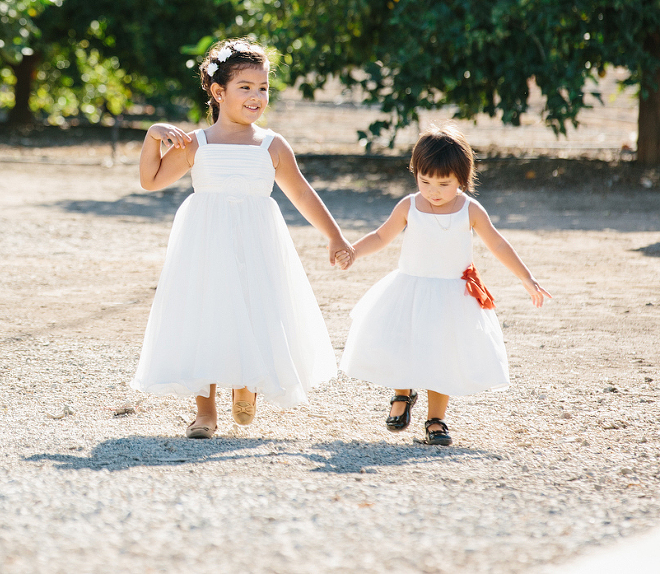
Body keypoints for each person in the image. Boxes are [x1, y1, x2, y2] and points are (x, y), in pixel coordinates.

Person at [131, 38, 353, 438]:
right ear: (218, 92)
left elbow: (301, 193)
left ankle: (246, 384)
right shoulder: (195, 142)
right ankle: (205, 411)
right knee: (206, 313)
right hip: (205, 242)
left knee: (252, 307)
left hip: (257, 242)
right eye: (246, 87)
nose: (257, 96)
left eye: (263, 88)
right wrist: (152, 136)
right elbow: (150, 180)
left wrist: (334, 236)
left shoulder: (271, 144)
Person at [338, 125, 550, 446]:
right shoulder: (410, 206)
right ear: (415, 174)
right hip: (410, 288)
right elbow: (381, 236)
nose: (433, 191)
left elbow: (499, 245)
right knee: (403, 343)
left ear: (461, 179)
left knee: (442, 354)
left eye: (443, 183)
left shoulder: (470, 210)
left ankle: (435, 420)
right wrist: (354, 250)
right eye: (425, 181)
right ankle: (402, 394)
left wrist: (526, 277)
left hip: (451, 295)